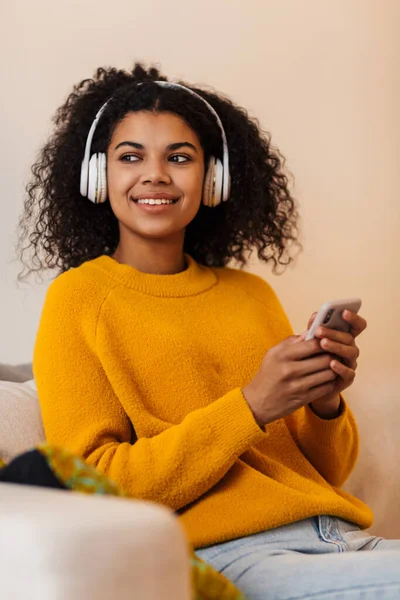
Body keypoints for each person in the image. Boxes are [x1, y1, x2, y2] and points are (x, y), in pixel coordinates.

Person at [18, 62, 400, 599]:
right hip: (232, 555)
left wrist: (324, 402)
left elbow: (328, 471)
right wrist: (251, 406)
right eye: (131, 157)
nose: (155, 174)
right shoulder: (78, 299)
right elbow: (97, 485)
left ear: (213, 178)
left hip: (342, 539)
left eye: (179, 157)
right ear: (97, 175)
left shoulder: (250, 294)